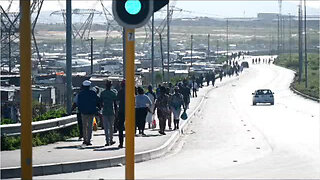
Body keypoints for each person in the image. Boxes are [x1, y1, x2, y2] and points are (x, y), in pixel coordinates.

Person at [77, 80, 100, 146]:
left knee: (84, 126)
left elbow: (79, 103)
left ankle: (85, 140)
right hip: (91, 112)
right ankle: (88, 140)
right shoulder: (93, 93)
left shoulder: (80, 94)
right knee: (90, 126)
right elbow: (97, 101)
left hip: (83, 112)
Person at [100, 80, 117, 146]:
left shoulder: (103, 93)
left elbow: (100, 102)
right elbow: (115, 104)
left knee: (106, 127)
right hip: (111, 111)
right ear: (111, 86)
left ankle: (107, 141)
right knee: (111, 127)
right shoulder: (113, 93)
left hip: (105, 111)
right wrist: (116, 112)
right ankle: (111, 140)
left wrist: (102, 106)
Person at [117, 80, 125, 148]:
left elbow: (117, 100)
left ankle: (121, 143)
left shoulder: (120, 91)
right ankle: (129, 142)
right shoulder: (130, 91)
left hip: (121, 111)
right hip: (129, 111)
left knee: (121, 128)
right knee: (130, 128)